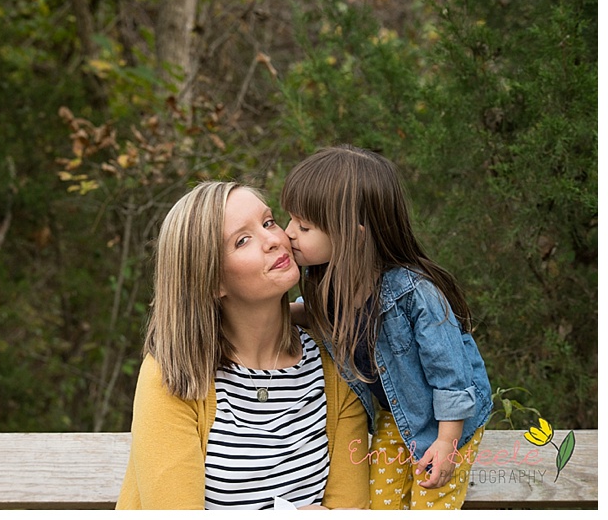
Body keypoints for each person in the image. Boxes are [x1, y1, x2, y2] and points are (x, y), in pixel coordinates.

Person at [116, 181, 369, 510]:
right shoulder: (174, 374)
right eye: (242, 240)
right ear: (211, 280)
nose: (274, 240)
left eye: (268, 222)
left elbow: (351, 509)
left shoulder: (334, 361)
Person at [280, 145, 493, 510]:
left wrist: (447, 443)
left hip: (448, 423)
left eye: (304, 226)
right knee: (380, 504)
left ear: (354, 235)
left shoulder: (416, 294)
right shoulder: (329, 281)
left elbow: (452, 377)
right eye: (290, 221)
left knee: (430, 500)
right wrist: (271, 313)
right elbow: (316, 318)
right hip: (394, 416)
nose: (288, 234)